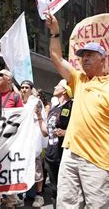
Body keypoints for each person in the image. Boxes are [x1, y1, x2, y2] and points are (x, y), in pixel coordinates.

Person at [46, 12, 109, 208]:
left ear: (102, 59)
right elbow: (56, 58)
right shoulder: (78, 80)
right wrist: (55, 33)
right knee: (66, 205)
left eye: (90, 55)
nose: (84, 59)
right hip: (70, 155)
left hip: (97, 161)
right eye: (82, 56)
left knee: (98, 206)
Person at [0, 69, 24, 208]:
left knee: (9, 175)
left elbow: (21, 120)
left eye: (1, 75)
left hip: (10, 145)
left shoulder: (15, 97)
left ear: (9, 80)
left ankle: (12, 203)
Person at [38, 79, 73, 208]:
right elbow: (46, 133)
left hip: (64, 154)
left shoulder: (72, 106)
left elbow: (80, 127)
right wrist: (40, 117)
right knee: (55, 190)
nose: (54, 86)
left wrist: (66, 132)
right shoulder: (54, 109)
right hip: (51, 155)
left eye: (57, 85)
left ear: (64, 90)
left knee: (66, 191)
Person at [20, 80, 46, 208]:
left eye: (26, 87)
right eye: (22, 87)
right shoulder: (19, 103)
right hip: (22, 141)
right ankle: (23, 194)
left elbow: (39, 119)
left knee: (36, 169)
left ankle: (39, 195)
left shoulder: (36, 102)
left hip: (33, 139)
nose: (23, 89)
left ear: (31, 89)